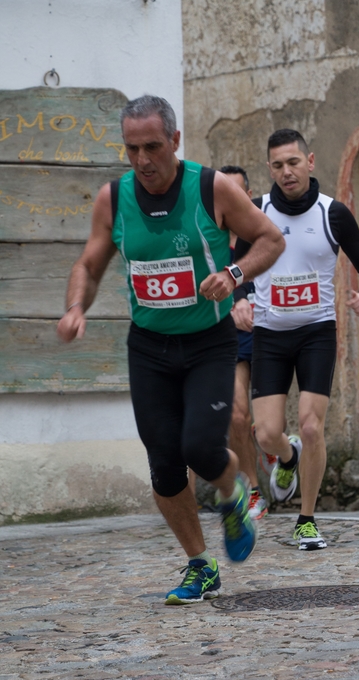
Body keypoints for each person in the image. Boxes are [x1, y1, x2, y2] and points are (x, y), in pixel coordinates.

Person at [57, 96, 285, 603]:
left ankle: (232, 494)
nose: (142, 160)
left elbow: (270, 240)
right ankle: (199, 565)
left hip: (208, 342)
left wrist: (233, 274)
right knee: (163, 462)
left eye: (153, 147)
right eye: (132, 148)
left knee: (201, 448)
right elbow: (89, 266)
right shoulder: (113, 200)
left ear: (175, 141)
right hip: (150, 348)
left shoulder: (212, 188)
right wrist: (77, 307)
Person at [236, 128, 359, 551]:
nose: (286, 172)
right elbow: (236, 265)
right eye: (278, 165)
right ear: (270, 169)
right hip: (269, 335)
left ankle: (306, 519)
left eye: (293, 162)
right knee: (265, 434)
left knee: (313, 425)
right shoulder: (256, 211)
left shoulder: (331, 213)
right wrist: (240, 298)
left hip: (316, 332)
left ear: (310, 161)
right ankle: (287, 456)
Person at [219, 165, 269, 520]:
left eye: (238, 193)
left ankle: (269, 443)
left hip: (268, 333)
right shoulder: (207, 240)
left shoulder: (264, 235)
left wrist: (252, 300)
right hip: (228, 337)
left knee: (268, 425)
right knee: (237, 415)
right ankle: (252, 490)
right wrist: (232, 303)